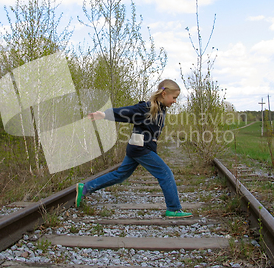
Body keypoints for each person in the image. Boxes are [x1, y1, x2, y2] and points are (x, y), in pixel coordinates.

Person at [75, 79, 192, 218]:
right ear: (164, 93)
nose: (175, 101)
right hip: (141, 149)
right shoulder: (146, 108)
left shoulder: (160, 108)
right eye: (174, 98)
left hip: (137, 147)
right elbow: (127, 112)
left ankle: (86, 188)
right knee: (165, 174)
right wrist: (105, 114)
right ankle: (173, 208)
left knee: (120, 175)